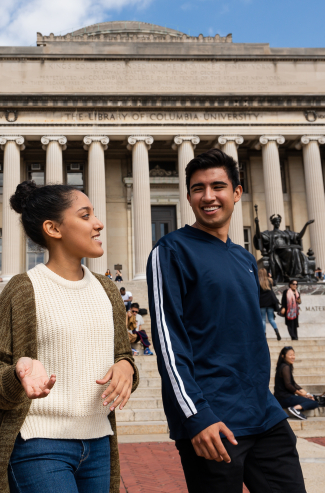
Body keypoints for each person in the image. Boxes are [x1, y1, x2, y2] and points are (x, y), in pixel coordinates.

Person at [147, 149, 304, 493]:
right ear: (188, 196)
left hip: (264, 414)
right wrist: (196, 416)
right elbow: (168, 340)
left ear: (236, 192)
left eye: (218, 186)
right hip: (212, 420)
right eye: (197, 188)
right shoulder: (171, 251)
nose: (208, 196)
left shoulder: (246, 259)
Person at [0, 180, 139, 493]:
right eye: (85, 215)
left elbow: (123, 355)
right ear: (53, 228)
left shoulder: (107, 290)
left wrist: (126, 368)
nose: (98, 223)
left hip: (99, 443)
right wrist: (18, 373)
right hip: (37, 444)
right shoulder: (22, 290)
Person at [274, 346, 319, 421]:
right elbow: (288, 385)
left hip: (283, 398)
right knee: (314, 403)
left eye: (293, 354)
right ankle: (295, 408)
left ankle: (295, 407)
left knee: (311, 400)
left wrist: (306, 394)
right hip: (284, 398)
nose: (293, 357)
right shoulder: (285, 367)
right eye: (290, 355)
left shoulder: (285, 366)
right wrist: (301, 394)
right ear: (283, 356)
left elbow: (294, 384)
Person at [258, 268, 282, 340]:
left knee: (263, 320)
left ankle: (264, 335)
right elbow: (275, 283)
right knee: (271, 319)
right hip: (270, 303)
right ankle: (277, 332)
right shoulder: (269, 281)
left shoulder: (258, 282)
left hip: (262, 303)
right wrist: (270, 276)